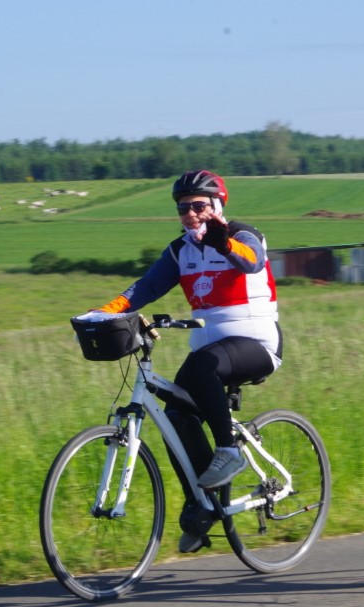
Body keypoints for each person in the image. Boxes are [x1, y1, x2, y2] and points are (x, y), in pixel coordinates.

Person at [94, 170, 281, 553]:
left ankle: (228, 451)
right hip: (210, 351)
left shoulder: (244, 235)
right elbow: (145, 287)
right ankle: (203, 505)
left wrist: (223, 243)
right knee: (176, 417)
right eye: (183, 208)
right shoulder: (180, 250)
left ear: (217, 205)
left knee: (201, 366)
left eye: (199, 206)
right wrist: (104, 313)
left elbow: (251, 261)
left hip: (257, 343)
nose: (191, 214)